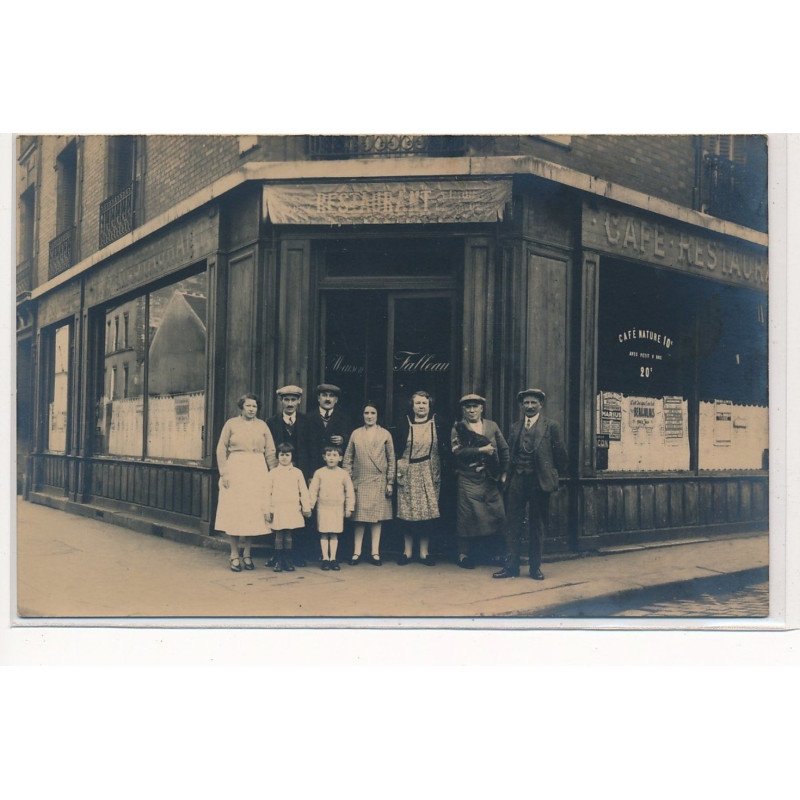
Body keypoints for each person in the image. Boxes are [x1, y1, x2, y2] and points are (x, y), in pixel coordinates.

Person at [493, 388, 568, 581]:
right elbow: (510, 455)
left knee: (537, 526)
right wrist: (506, 477)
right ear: (522, 405)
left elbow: (560, 455)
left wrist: (553, 476)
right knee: (512, 524)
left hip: (539, 482)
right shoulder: (515, 426)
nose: (529, 406)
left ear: (540, 405)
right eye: (526, 403)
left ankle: (535, 568)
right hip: (517, 480)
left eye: (533, 402)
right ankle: (511, 567)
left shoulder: (551, 426)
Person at [215, 393, 277, 572]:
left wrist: (273, 475)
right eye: (248, 406)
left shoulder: (262, 425)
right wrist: (224, 473)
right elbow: (221, 448)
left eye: (254, 406)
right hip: (236, 469)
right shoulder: (231, 424)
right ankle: (234, 554)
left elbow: (270, 451)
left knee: (252, 513)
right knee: (236, 511)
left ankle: (247, 554)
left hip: (257, 470)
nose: (251, 409)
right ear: (241, 407)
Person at [450, 394, 510, 569]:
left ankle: (496, 555)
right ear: (463, 410)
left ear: (482, 408)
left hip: (490, 479)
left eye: (475, 406)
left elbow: (504, 449)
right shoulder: (458, 428)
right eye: (468, 407)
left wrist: (504, 472)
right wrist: (482, 449)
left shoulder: (492, 426)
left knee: (497, 515)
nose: (471, 410)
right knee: (466, 517)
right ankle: (464, 555)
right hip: (468, 479)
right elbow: (458, 452)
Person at [392, 390, 450, 566]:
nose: (421, 406)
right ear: (412, 405)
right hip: (408, 471)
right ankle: (407, 552)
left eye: (424, 403)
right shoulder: (403, 424)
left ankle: (424, 553)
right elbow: (395, 450)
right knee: (406, 513)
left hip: (429, 471)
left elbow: (445, 448)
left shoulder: (438, 423)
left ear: (429, 405)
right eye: (418, 403)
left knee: (427, 514)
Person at [343, 402, 396, 565]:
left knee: (376, 519)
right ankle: (356, 552)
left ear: (377, 415)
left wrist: (390, 481)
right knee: (359, 519)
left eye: (373, 413)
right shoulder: (356, 434)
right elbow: (348, 458)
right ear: (363, 415)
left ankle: (375, 552)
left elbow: (391, 459)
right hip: (360, 481)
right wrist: (348, 481)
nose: (369, 416)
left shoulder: (385, 434)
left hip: (378, 481)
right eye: (366, 413)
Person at [266, 385, 313, 566]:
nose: (290, 403)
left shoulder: (306, 421)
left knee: (297, 515)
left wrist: (309, 475)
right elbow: (269, 450)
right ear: (281, 401)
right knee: (278, 516)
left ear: (299, 401)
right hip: (278, 475)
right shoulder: (271, 422)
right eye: (287, 400)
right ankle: (276, 555)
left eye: (294, 400)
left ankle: (296, 554)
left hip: (298, 475)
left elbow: (311, 449)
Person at [265, 442, 312, 572]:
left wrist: (306, 507)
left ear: (292, 456)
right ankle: (279, 560)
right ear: (277, 456)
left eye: (287, 454)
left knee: (289, 535)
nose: (284, 457)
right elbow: (267, 493)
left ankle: (287, 559)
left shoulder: (297, 473)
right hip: (278, 509)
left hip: (291, 508)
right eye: (281, 454)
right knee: (279, 535)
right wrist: (267, 509)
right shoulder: (273, 473)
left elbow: (303, 491)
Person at [309, 445, 355, 571]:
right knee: (324, 533)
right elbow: (313, 490)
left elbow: (349, 492)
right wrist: (310, 506)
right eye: (328, 455)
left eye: (335, 455)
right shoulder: (319, 473)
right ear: (324, 457)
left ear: (340, 458)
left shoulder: (344, 474)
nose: (331, 458)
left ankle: (333, 558)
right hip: (323, 508)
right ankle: (325, 559)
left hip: (337, 509)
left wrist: (349, 508)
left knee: (334, 534)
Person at [306, 384, 353, 473]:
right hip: (314, 468)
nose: (327, 399)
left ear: (336, 400)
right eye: (324, 395)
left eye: (331, 396)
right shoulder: (308, 418)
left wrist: (343, 439)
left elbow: (351, 441)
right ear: (318, 398)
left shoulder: (343, 418)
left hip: (335, 469)